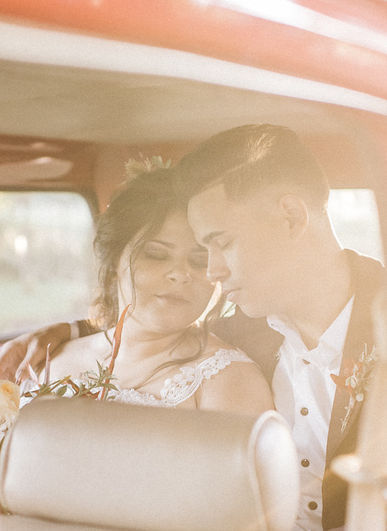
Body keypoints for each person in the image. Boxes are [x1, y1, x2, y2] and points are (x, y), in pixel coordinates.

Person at [0, 126, 387, 531]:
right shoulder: (245, 330)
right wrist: (69, 332)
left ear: (291, 216)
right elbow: (147, 331)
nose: (210, 273)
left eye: (220, 244)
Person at [36, 159, 273, 415]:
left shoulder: (230, 380)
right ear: (114, 261)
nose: (180, 275)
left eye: (199, 260)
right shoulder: (50, 358)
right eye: (157, 255)